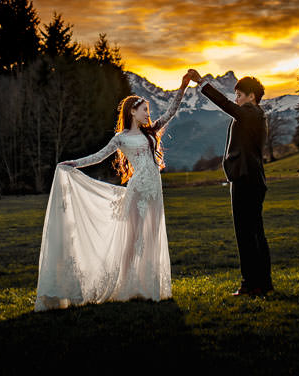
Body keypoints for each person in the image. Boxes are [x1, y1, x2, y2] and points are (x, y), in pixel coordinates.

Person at [34, 73, 192, 311]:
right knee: (132, 238)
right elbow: (98, 156)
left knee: (151, 235)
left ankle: (148, 286)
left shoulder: (150, 134)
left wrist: (182, 86)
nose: (148, 114)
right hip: (138, 190)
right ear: (132, 113)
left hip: (155, 191)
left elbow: (171, 112)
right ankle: (124, 284)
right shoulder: (121, 138)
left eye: (148, 110)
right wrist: (74, 163)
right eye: (144, 110)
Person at [187, 69, 273, 296]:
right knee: (255, 233)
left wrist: (201, 83)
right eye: (236, 96)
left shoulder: (252, 113)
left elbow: (225, 105)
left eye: (239, 95)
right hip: (251, 179)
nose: (236, 100)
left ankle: (250, 285)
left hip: (246, 180)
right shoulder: (255, 115)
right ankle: (263, 284)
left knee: (246, 234)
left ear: (252, 96)